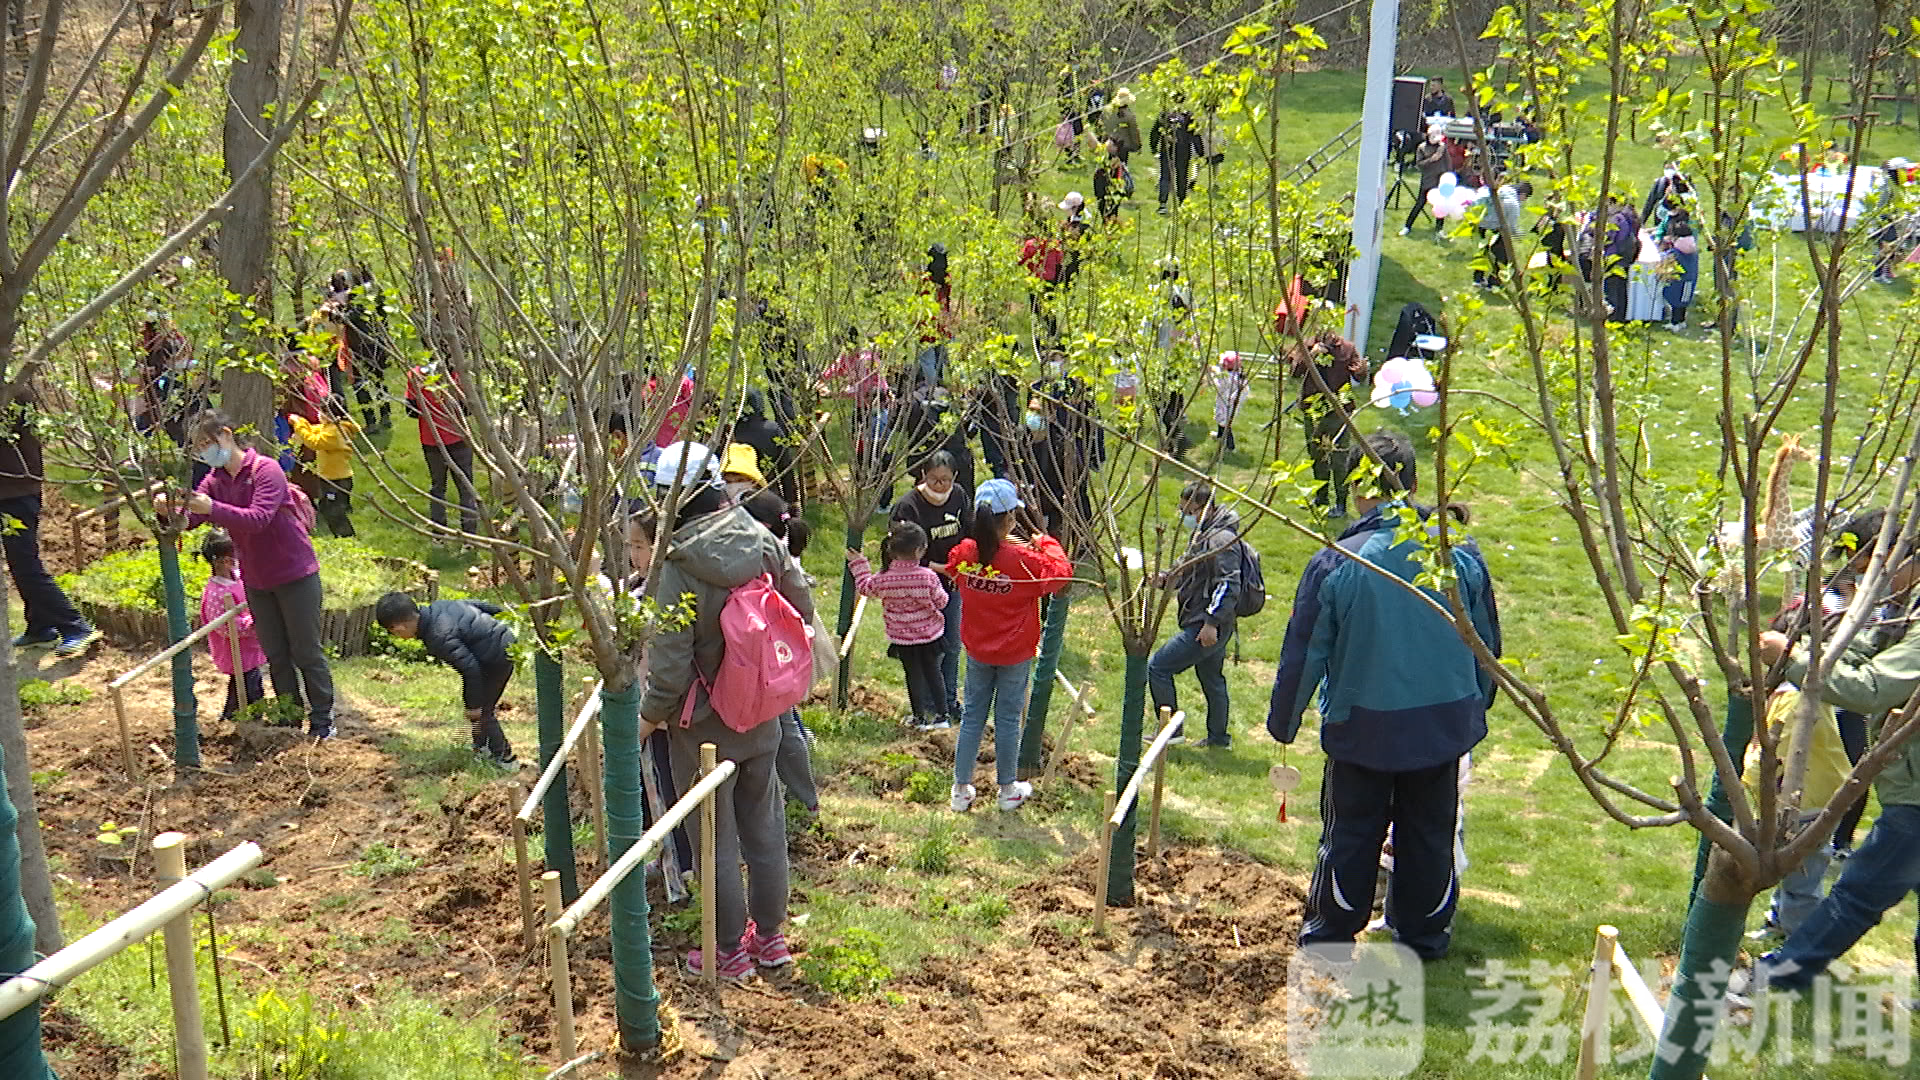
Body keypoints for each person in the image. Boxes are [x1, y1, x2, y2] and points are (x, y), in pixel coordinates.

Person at [1267, 430, 1501, 960]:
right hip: (1441, 725)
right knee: (1429, 833)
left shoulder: (1338, 560)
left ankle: (1331, 931)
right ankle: (1422, 935)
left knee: (1351, 830)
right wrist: (1476, 703)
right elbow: (1486, 642)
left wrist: (1285, 721)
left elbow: (1305, 651)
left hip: (1363, 726)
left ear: (1356, 489)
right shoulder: (1457, 553)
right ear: (1414, 484)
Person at [639, 441, 815, 979]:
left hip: (704, 720)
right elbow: (801, 605)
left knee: (712, 836)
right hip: (764, 707)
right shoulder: (760, 539)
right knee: (764, 826)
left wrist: (647, 718)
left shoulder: (676, 567)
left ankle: (727, 951)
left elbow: (669, 664)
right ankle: (770, 938)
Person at [1748, 603, 1920, 994]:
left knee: (1859, 892)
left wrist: (1792, 658)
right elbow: (1866, 649)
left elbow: (1871, 688)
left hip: (1917, 798)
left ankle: (1781, 974)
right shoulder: (1909, 602)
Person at [166, 410, 336, 738]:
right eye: (198, 447)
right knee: (275, 653)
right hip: (258, 580)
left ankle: (323, 720)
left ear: (226, 436)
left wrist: (211, 508)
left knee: (306, 651)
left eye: (207, 443)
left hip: (294, 574)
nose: (204, 452)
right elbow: (193, 516)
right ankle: (289, 717)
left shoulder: (266, 470)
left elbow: (257, 518)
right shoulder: (215, 479)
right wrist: (169, 512)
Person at [942, 478, 1072, 812]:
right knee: (1009, 719)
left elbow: (955, 570)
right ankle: (1007, 788)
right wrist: (1045, 541)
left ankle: (960, 787)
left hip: (977, 650)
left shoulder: (965, 555)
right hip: (1014, 653)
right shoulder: (1023, 562)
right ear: (1011, 519)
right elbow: (1061, 574)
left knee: (972, 716)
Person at [0, 390, 102, 658]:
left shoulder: (11, 391)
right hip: (13, 488)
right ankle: (40, 626)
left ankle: (75, 626)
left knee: (25, 564)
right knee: (20, 563)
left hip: (15, 492)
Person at [740, 490, 820, 820]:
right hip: (777, 653)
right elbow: (803, 603)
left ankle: (768, 807)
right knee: (786, 727)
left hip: (747, 651)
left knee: (773, 731)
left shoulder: (748, 548)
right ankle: (805, 800)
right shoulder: (779, 549)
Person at [1148, 481, 1242, 749]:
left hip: (1206, 624)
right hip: (1210, 622)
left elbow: (1228, 583)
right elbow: (1188, 565)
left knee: (1159, 667)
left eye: (1187, 510)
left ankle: (1171, 732)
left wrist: (1211, 622)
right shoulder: (1204, 533)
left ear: (1205, 508)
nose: (1183, 516)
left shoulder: (1220, 539)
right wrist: (1165, 579)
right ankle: (1218, 739)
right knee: (1212, 679)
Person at [376, 593, 517, 766]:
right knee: (478, 706)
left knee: (483, 711)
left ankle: (504, 759)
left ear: (399, 628)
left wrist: (473, 706)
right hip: (503, 639)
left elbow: (471, 670)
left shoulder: (438, 636)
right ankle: (481, 747)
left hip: (497, 656)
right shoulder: (440, 606)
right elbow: (487, 607)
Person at [892, 450, 972, 723]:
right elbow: (904, 548)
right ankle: (927, 705)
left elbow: (968, 533)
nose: (940, 486)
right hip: (919, 586)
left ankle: (949, 701)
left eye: (946, 480)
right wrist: (938, 568)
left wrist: (964, 564)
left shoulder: (960, 497)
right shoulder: (908, 507)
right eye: (935, 480)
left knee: (951, 643)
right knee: (927, 649)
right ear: (924, 475)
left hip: (951, 583)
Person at [848, 522, 951, 730]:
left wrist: (859, 564)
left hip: (902, 638)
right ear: (919, 550)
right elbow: (942, 602)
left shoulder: (885, 579)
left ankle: (919, 717)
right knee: (933, 672)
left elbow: (865, 587)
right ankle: (942, 716)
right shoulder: (928, 577)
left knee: (912, 674)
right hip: (930, 635)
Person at [1289, 331, 1368, 518]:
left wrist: (1361, 368)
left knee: (1339, 458)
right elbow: (1295, 372)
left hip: (1339, 410)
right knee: (1317, 455)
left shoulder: (1348, 349)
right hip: (1313, 410)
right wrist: (1312, 354)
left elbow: (1360, 377)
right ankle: (1321, 498)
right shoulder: (1307, 345)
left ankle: (1341, 503)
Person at [405, 360, 481, 537]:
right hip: (458, 438)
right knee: (466, 488)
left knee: (438, 487)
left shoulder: (416, 375)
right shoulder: (457, 375)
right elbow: (467, 409)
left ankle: (439, 533)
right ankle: (470, 536)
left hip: (430, 440)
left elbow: (410, 410)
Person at [198, 529, 265, 721]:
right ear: (226, 561)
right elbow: (227, 627)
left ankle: (233, 714)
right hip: (235, 648)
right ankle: (245, 716)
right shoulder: (216, 593)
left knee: (244, 682)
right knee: (248, 684)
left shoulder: (237, 577)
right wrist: (253, 622)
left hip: (249, 646)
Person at [289, 401, 361, 538]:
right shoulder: (330, 427)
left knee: (334, 511)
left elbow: (313, 441)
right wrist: (302, 422)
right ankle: (340, 536)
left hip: (337, 480)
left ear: (330, 414)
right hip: (329, 477)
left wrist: (298, 425)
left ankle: (347, 537)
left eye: (322, 412)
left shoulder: (336, 432)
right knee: (327, 508)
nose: (319, 414)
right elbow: (313, 430)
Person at [1474, 180, 1531, 289]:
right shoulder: (1513, 204)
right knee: (1501, 256)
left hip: (1479, 221)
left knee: (1483, 252)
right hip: (1493, 227)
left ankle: (1478, 279)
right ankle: (1493, 283)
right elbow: (1510, 227)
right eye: (1525, 198)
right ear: (1523, 195)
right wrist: (1520, 235)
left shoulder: (1503, 188)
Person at [1151, 95, 1200, 213]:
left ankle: (1163, 204)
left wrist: (1154, 146)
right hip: (1183, 149)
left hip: (1167, 148)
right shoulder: (1188, 116)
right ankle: (1182, 202)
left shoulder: (1165, 115)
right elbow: (1195, 134)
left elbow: (1155, 131)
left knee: (1165, 175)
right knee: (1182, 176)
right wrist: (1199, 150)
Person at [1402, 127, 1452, 235]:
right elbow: (1419, 165)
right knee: (1420, 203)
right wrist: (1432, 159)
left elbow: (1448, 164)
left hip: (1440, 180)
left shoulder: (1442, 147)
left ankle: (1439, 229)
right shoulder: (1422, 147)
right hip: (1428, 179)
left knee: (1440, 205)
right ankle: (1407, 226)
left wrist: (1448, 177)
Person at [1660, 213, 1701, 332]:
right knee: (1684, 301)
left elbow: (1668, 258)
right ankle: (1681, 321)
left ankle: (1675, 323)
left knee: (1676, 301)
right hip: (1690, 278)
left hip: (1678, 280)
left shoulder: (1677, 251)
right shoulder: (1692, 247)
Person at [1212, 351, 1248, 451]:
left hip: (1229, 404)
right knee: (1219, 418)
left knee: (1226, 423)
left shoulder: (1234, 378)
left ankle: (1230, 446)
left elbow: (1243, 390)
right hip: (1222, 401)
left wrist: (1233, 398)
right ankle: (1219, 435)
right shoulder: (1229, 375)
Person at [1091, 141, 1129, 226]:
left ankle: (1110, 224)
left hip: (1113, 173)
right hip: (1103, 172)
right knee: (1103, 202)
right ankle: (1108, 223)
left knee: (1111, 204)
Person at [1105, 87, 1143, 165]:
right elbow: (1134, 132)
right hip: (1123, 146)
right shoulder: (1129, 116)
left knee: (1110, 165)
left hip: (1110, 143)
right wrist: (1138, 146)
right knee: (1121, 168)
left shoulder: (1108, 112)